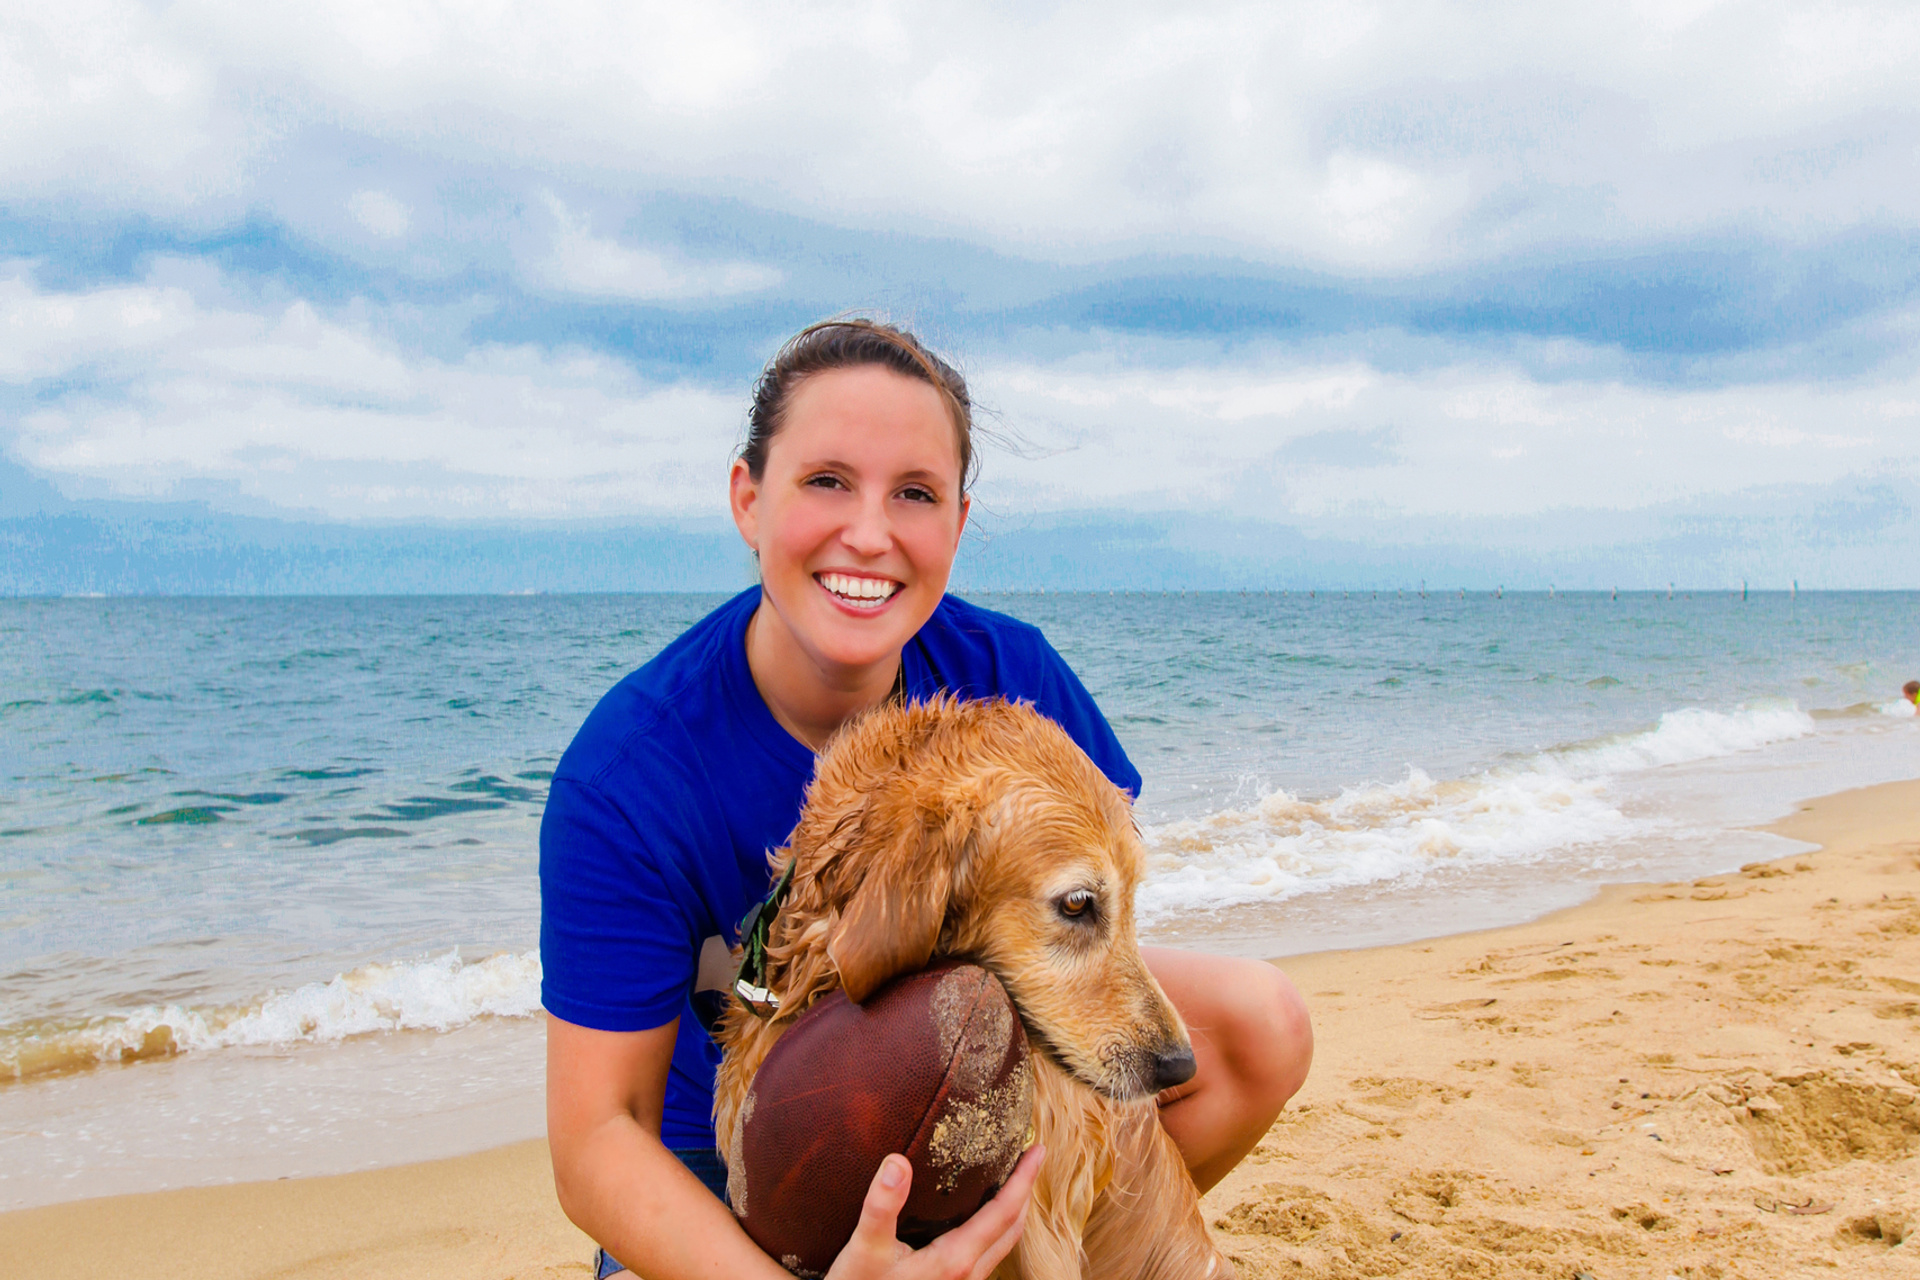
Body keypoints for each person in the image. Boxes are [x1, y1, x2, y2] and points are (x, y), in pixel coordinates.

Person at [540, 319, 1314, 1280]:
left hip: (971, 1081)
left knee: (1256, 1027)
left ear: (956, 520)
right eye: (826, 481)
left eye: (914, 493)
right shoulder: (629, 778)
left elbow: (1081, 900)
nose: (869, 533)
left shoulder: (1014, 678)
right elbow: (596, 1143)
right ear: (748, 500)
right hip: (731, 1159)